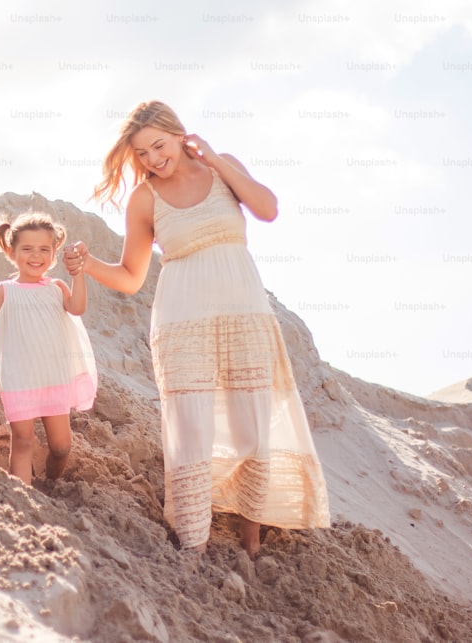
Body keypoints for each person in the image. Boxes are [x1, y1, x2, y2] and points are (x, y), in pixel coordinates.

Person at [63, 100, 329, 558]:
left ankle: (250, 542)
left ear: (180, 134)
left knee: (251, 421)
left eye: (159, 146)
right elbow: (131, 276)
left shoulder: (223, 170)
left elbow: (267, 209)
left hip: (245, 312)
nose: (152, 159)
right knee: (191, 428)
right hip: (181, 317)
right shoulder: (144, 199)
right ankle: (194, 543)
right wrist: (87, 265)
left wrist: (215, 159)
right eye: (142, 154)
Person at [0, 212, 97, 485]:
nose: (36, 256)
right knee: (21, 441)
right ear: (12, 252)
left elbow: (78, 308)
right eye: (27, 249)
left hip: (53, 376)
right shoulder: (4, 291)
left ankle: (50, 481)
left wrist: (77, 275)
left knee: (61, 447)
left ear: (54, 253)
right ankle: (20, 497)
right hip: (18, 378)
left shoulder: (57, 287)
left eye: (44, 249)